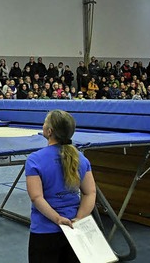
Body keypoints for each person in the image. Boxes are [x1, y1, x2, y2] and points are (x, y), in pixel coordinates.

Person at [25, 110, 96, 263]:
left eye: (45, 122)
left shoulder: (35, 159)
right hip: (74, 229)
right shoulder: (81, 158)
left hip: (45, 230)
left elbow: (36, 197)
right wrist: (79, 218)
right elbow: (90, 193)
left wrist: (57, 219)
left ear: (49, 131)